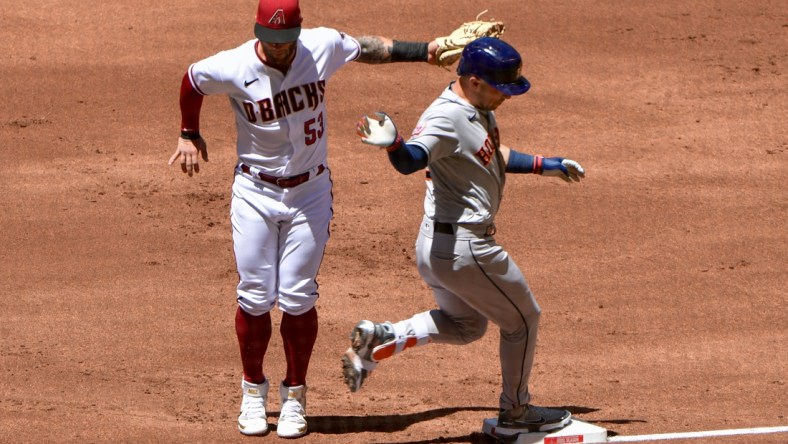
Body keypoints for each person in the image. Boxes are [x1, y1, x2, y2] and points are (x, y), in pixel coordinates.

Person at [166, 0, 458, 438]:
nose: (279, 49)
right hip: (255, 192)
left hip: (310, 192)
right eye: (271, 40)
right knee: (255, 294)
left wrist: (425, 50)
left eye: (287, 42)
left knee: (298, 296)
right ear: (258, 32)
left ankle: (294, 397)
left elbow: (367, 47)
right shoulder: (232, 65)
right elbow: (192, 80)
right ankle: (252, 392)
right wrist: (189, 132)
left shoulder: (319, 45)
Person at [344, 36, 586, 434]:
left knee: (467, 327)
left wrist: (545, 164)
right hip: (467, 248)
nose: (506, 97)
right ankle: (517, 410)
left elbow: (490, 153)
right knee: (524, 319)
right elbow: (412, 160)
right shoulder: (446, 118)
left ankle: (382, 337)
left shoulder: (473, 108)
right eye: (501, 89)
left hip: (437, 247)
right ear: (474, 80)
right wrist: (395, 147)